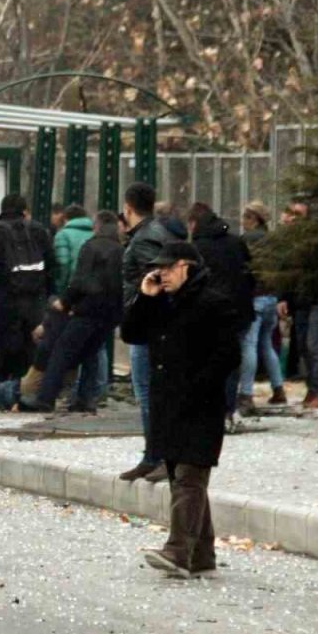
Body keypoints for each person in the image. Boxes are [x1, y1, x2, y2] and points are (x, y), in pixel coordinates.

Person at [122, 241, 241, 579]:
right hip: (168, 406)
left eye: (168, 268)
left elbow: (228, 356)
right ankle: (202, 555)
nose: (161, 274)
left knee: (190, 476)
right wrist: (144, 297)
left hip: (200, 405)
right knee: (181, 476)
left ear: (187, 266)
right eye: (157, 268)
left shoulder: (213, 303)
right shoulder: (162, 301)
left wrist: (199, 387)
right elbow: (132, 334)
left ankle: (176, 551)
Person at [24, 210, 123, 413]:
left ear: (97, 226)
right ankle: (86, 400)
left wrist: (66, 302)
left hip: (87, 309)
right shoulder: (120, 249)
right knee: (90, 354)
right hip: (110, 313)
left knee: (62, 351)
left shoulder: (91, 246)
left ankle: (45, 399)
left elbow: (80, 280)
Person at [117, 182, 180, 482]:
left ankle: (157, 456)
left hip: (147, 326)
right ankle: (153, 455)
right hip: (152, 325)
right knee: (150, 392)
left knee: (148, 393)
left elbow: (154, 281)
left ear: (128, 207)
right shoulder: (157, 233)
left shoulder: (143, 240)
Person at [186, 202, 255, 427]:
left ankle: (211, 410)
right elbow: (250, 273)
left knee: (207, 361)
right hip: (239, 311)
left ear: (193, 223)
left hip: (210, 312)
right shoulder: (237, 242)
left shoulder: (197, 247)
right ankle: (228, 409)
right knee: (232, 360)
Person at [0, 194, 55, 388]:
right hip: (34, 304)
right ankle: (23, 393)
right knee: (28, 352)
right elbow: (52, 266)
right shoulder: (39, 230)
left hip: (2, 303)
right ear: (24, 210)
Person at [277, 200, 318, 409]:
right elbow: (285, 271)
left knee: (314, 345)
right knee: (303, 347)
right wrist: (283, 297)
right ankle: (313, 388)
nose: (290, 218)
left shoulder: (316, 242)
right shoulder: (287, 242)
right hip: (299, 300)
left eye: (296, 214)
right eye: (288, 213)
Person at [238, 201, 287, 408]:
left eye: (245, 218)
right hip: (271, 298)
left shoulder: (246, 241)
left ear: (253, 219)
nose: (242, 222)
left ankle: (246, 393)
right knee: (266, 344)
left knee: (249, 345)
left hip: (254, 298)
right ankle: (278, 389)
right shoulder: (275, 241)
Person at [52, 204, 92, 296]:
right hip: (90, 289)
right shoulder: (94, 234)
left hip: (71, 288)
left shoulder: (62, 235)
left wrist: (60, 289)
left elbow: (63, 263)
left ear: (65, 218)